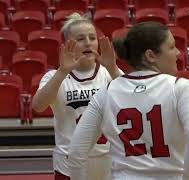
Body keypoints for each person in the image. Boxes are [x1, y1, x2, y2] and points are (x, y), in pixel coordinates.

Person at [67, 21, 189, 180]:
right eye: (171, 47)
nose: (178, 53)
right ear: (150, 56)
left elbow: (76, 152)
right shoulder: (182, 87)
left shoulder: (107, 91)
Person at [32, 12, 122, 180]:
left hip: (107, 161)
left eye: (92, 37)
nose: (88, 42)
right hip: (68, 163)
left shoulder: (108, 73)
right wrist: (62, 71)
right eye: (81, 39)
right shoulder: (54, 76)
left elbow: (134, 100)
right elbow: (38, 106)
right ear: (68, 45)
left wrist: (113, 68)